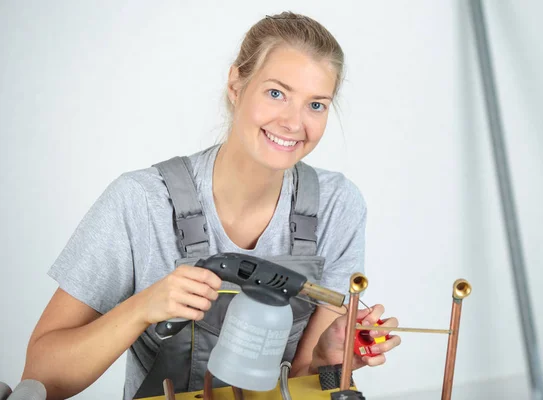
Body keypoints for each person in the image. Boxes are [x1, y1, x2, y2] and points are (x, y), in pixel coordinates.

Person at [21, 11, 401, 400]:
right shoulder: (141, 200)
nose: (293, 122)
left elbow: (302, 379)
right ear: (237, 84)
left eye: (316, 105)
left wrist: (326, 359)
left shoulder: (337, 205)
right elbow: (41, 375)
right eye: (276, 93)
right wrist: (141, 308)